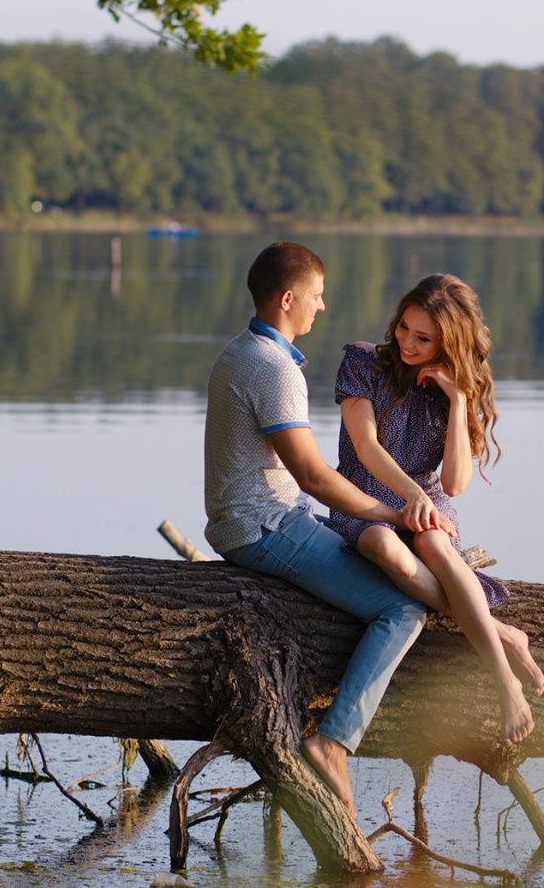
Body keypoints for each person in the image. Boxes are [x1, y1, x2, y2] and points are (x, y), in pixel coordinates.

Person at [203, 241, 446, 819]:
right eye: (315, 295)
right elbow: (313, 476)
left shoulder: (242, 353)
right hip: (263, 526)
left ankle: (478, 619)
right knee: (400, 611)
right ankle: (332, 741)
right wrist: (389, 511)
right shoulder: (273, 368)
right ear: (288, 299)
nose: (322, 305)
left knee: (386, 572)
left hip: (258, 520)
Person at [327, 273, 544, 746]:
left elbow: (454, 484)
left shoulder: (456, 389)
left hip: (430, 506)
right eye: (404, 327)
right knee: (386, 543)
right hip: (364, 500)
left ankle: (505, 683)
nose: (406, 342)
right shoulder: (363, 363)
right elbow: (365, 448)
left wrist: (459, 398)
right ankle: (499, 632)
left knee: (433, 544)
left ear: (449, 341)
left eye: (423, 338)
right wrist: (409, 497)